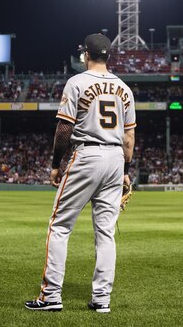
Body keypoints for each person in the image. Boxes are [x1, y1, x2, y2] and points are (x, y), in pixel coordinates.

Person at [25, 33, 136, 314]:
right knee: (106, 234)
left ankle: (50, 296)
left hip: (87, 154)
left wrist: (54, 164)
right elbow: (129, 138)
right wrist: (125, 171)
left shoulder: (77, 82)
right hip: (114, 159)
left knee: (60, 226)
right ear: (107, 55)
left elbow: (63, 129)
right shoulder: (125, 88)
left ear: (86, 54)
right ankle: (101, 300)